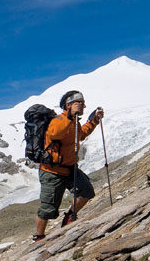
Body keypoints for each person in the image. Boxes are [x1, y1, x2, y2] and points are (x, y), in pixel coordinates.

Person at [33, 90, 104, 243]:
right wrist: (71, 116)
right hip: (51, 171)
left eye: (83, 103)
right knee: (48, 208)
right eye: (79, 103)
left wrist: (94, 120)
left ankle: (69, 217)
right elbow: (56, 134)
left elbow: (81, 134)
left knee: (86, 191)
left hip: (69, 168)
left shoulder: (73, 122)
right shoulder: (59, 120)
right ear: (69, 105)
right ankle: (39, 237)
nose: (83, 106)